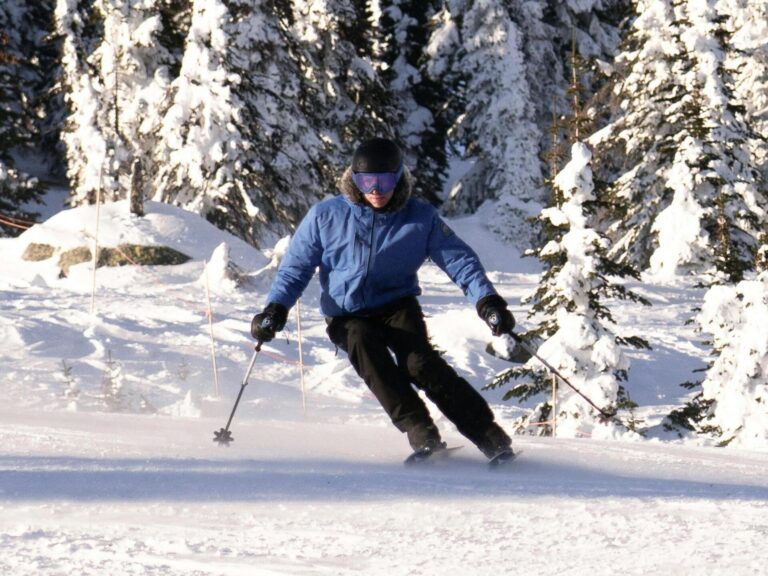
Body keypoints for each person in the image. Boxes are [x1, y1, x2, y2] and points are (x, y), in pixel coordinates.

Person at [251, 137, 515, 461]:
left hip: (396, 306)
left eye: (385, 181)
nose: (376, 190)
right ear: (354, 179)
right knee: (365, 348)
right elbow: (295, 268)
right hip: (346, 313)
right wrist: (275, 309)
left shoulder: (419, 218)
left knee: (420, 364)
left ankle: (492, 440)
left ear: (399, 177)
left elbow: (459, 261)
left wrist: (487, 301)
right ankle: (423, 435)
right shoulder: (326, 216)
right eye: (367, 181)